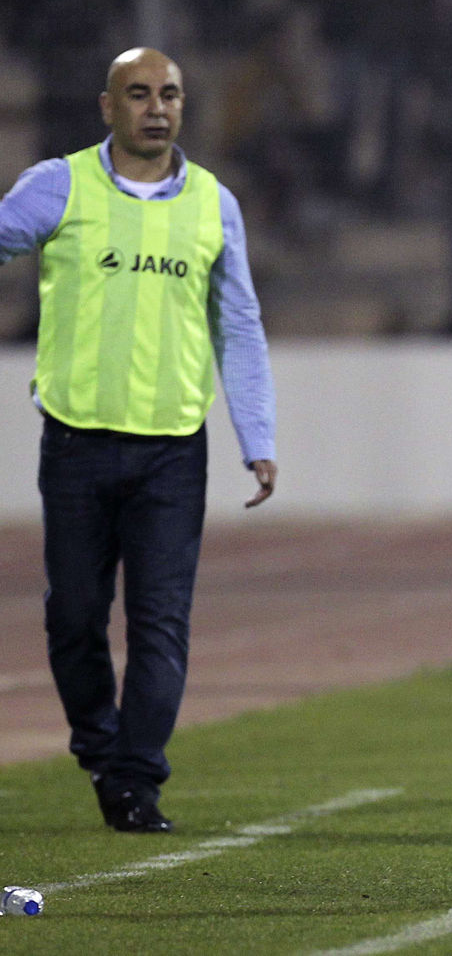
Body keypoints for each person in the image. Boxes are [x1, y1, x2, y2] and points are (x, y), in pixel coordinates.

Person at [0, 47, 278, 832]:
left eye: (171, 95)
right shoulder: (60, 186)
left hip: (170, 451)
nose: (157, 107)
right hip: (77, 443)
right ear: (107, 106)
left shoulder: (213, 204)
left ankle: (135, 780)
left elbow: (240, 323)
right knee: (75, 619)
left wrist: (256, 433)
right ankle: (100, 747)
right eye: (140, 94)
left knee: (160, 623)